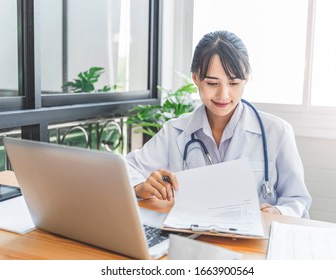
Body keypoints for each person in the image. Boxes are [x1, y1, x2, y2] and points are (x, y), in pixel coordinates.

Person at [126, 30, 311, 218]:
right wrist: (140, 187)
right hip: (192, 239)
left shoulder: (276, 132)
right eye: (212, 83)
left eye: (233, 83)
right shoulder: (174, 132)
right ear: (196, 78)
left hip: (253, 243)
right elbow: (126, 168)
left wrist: (278, 211)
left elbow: (298, 200)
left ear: (246, 78)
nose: (223, 95)